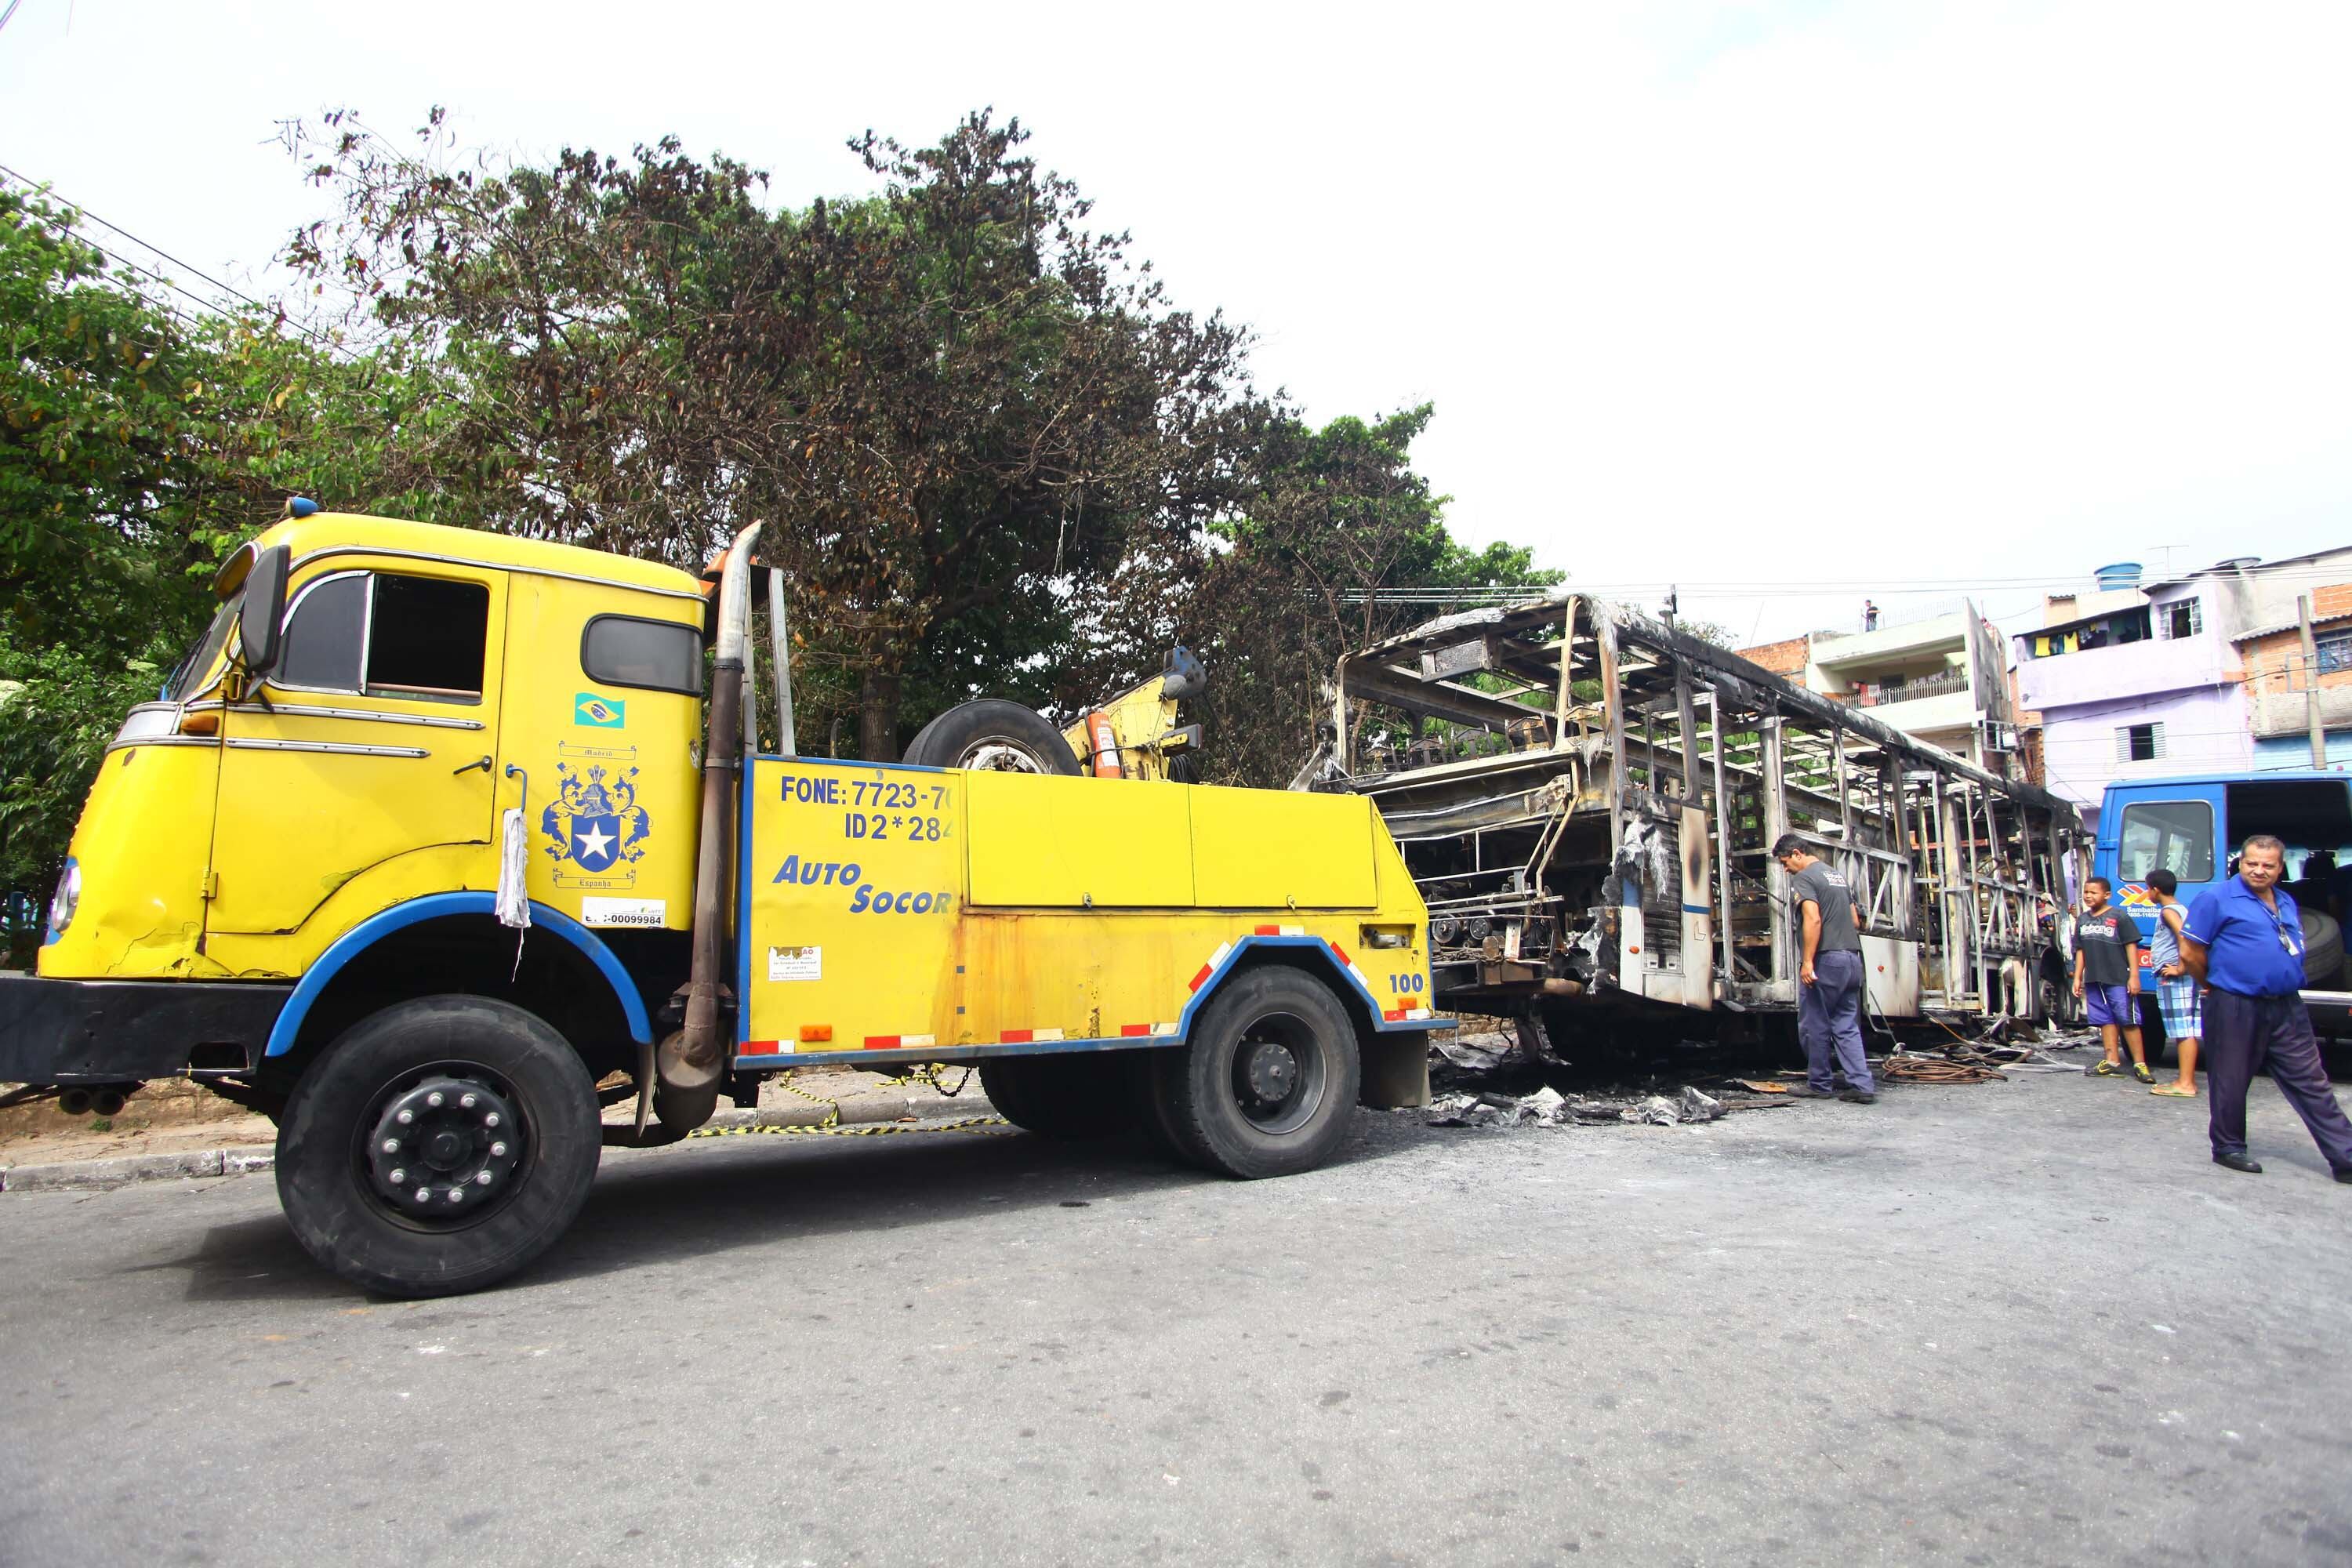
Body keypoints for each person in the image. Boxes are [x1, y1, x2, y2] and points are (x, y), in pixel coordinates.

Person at [2178, 834, 2352, 1180]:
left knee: (2312, 1080)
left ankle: (2346, 1157)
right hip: (2235, 1002)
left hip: (2286, 1004)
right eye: (2251, 863)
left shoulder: (2285, 900)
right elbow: (2190, 952)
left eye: (2268, 865)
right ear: (2240, 862)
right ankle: (2228, 1147)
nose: (2259, 871)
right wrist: (2211, 984)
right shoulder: (2216, 898)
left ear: (2280, 867)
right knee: (2231, 1077)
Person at [1773, 833, 1875, 1104]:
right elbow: (1855, 920)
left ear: (1797, 854)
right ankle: (1862, 1086)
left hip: (1827, 959)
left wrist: (1808, 961)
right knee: (1846, 1025)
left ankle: (1819, 1083)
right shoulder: (1836, 876)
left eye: (1785, 863)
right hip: (1852, 959)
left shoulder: (1805, 877)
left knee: (1814, 1023)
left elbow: (1813, 919)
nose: (1785, 869)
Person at [2073, 877, 2151, 1083]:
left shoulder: (2119, 917)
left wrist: (2134, 976)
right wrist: (2078, 977)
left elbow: (2131, 946)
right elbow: (2080, 950)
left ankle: (2140, 1063)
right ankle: (2111, 1061)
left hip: (2118, 977)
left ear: (2107, 895)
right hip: (2094, 979)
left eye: (2094, 892)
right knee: (2104, 1020)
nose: (2089, 896)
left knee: (2128, 1020)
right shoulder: (2082, 919)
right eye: (2086, 892)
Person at [2143, 869, 2200, 1098]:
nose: (2147, 893)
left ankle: (2186, 1083)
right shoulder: (2181, 908)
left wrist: (2180, 967)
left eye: (2148, 888)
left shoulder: (2168, 912)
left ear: (2155, 890)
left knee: (2182, 1029)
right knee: (2185, 1028)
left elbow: (2183, 937)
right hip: (2184, 976)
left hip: (2176, 977)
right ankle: (2185, 1080)